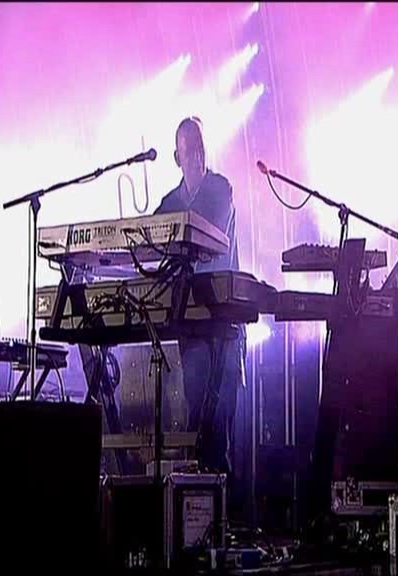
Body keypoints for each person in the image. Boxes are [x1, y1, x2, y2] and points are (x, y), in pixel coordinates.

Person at [154, 116, 246, 476]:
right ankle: (198, 499)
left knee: (220, 422)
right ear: (177, 156)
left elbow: (208, 237)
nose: (196, 154)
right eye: (189, 148)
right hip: (191, 322)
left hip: (223, 320)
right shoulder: (168, 203)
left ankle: (224, 503)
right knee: (196, 418)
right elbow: (148, 241)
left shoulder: (220, 189)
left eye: (200, 147)